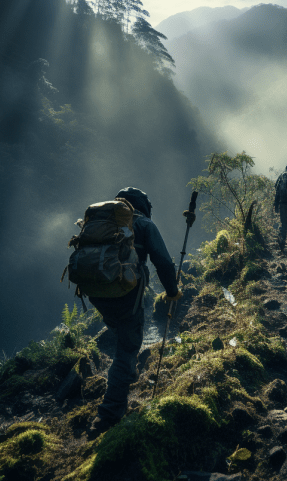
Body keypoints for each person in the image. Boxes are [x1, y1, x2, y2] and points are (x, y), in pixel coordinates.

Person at [88, 187, 182, 436]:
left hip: (97, 290)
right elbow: (162, 260)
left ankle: (127, 371)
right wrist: (172, 291)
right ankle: (108, 416)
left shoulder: (103, 221)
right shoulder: (144, 224)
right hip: (125, 292)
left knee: (122, 333)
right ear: (143, 205)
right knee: (128, 347)